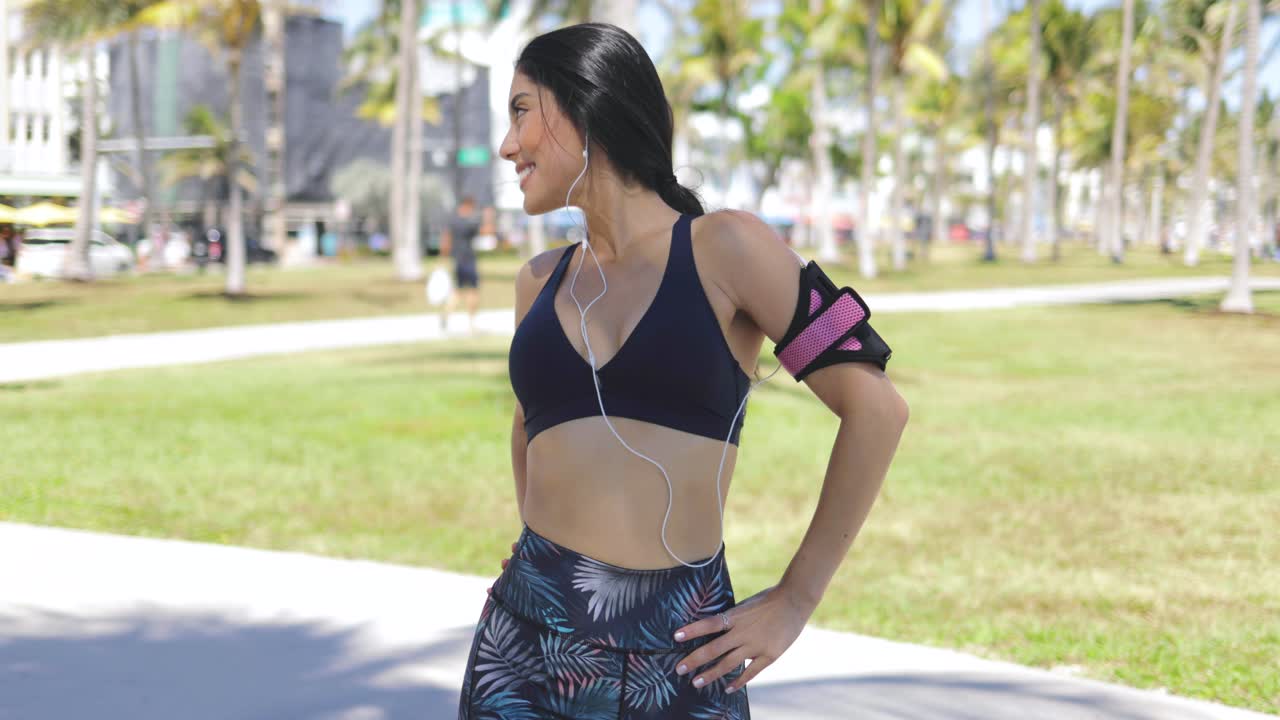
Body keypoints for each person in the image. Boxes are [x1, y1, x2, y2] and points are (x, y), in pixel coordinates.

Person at [457, 23, 908, 720]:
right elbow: (529, 426)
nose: (507, 145)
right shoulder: (537, 281)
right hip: (521, 646)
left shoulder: (729, 248)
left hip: (684, 654)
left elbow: (876, 409)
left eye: (521, 111)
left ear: (586, 105)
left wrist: (795, 599)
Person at [439, 196, 496, 334]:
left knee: (458, 290)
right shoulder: (469, 222)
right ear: (467, 206)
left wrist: (443, 257)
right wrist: (488, 217)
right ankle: (471, 324)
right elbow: (488, 231)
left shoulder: (453, 221)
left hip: (457, 259)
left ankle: (446, 313)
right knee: (473, 291)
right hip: (468, 259)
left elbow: (445, 239)